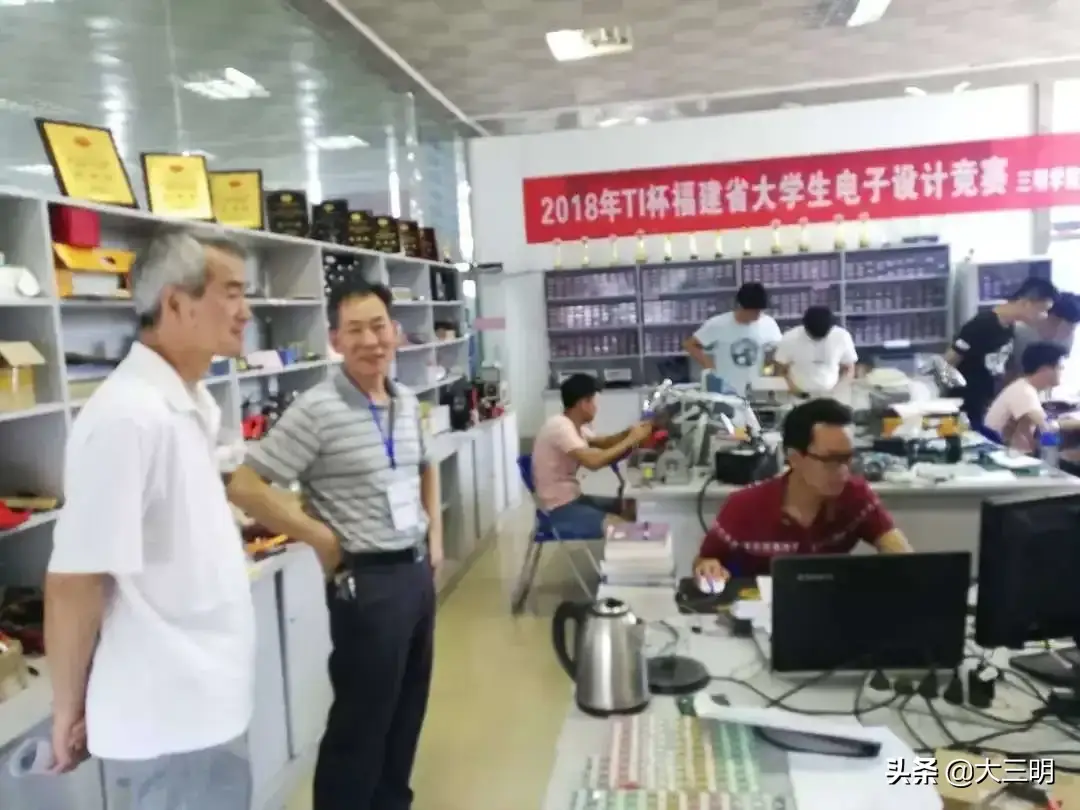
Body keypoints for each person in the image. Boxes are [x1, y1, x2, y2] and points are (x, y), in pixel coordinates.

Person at [45, 231, 255, 806]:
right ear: (176, 303)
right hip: (166, 724)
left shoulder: (188, 402)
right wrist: (67, 708)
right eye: (231, 293)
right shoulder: (127, 417)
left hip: (208, 709)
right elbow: (75, 580)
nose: (245, 311)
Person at [227, 277, 438, 810]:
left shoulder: (405, 400)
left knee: (406, 711)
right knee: (360, 724)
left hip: (415, 576)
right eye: (355, 330)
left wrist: (433, 536)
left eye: (378, 326)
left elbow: (424, 466)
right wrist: (319, 536)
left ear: (395, 331)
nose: (370, 340)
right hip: (365, 583)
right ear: (336, 340)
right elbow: (246, 486)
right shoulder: (316, 409)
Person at [693, 398, 912, 581]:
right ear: (794, 458)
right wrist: (709, 569)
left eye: (848, 458)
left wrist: (905, 565)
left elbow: (897, 548)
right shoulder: (744, 507)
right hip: (760, 611)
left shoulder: (854, 495)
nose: (843, 471)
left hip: (827, 607)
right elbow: (705, 561)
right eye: (831, 460)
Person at [532, 373, 653, 536]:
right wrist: (632, 439)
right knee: (620, 526)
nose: (596, 407)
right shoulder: (560, 427)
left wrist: (630, 432)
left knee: (633, 507)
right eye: (594, 401)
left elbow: (605, 442)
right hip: (559, 509)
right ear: (584, 403)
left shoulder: (575, 426)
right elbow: (593, 462)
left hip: (573, 499)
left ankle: (623, 547)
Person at [945, 277, 1057, 430]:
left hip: (983, 401)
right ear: (1026, 303)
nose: (1044, 316)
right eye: (1043, 310)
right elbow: (949, 361)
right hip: (964, 403)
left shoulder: (1009, 327)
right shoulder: (981, 324)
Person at [683, 282, 782, 395]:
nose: (757, 315)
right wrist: (710, 366)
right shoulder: (719, 324)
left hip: (755, 390)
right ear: (741, 306)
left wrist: (770, 369)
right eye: (753, 311)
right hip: (726, 390)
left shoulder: (768, 324)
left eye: (760, 310)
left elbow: (780, 350)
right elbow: (690, 345)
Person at [985, 342, 1074, 452]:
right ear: (1044, 370)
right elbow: (1048, 426)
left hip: (1008, 450)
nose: (1063, 371)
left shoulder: (1027, 386)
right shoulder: (1024, 392)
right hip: (999, 452)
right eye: (1060, 367)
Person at [773, 305, 858, 396]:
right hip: (798, 396)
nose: (818, 339)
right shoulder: (790, 338)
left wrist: (838, 390)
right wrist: (794, 390)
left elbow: (849, 369)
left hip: (832, 395)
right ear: (805, 326)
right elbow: (780, 368)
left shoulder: (842, 337)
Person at [1005, 292, 1080, 385]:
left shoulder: (1067, 340)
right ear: (1053, 318)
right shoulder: (1019, 330)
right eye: (1069, 328)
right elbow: (1007, 368)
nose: (1069, 333)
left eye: (1073, 328)